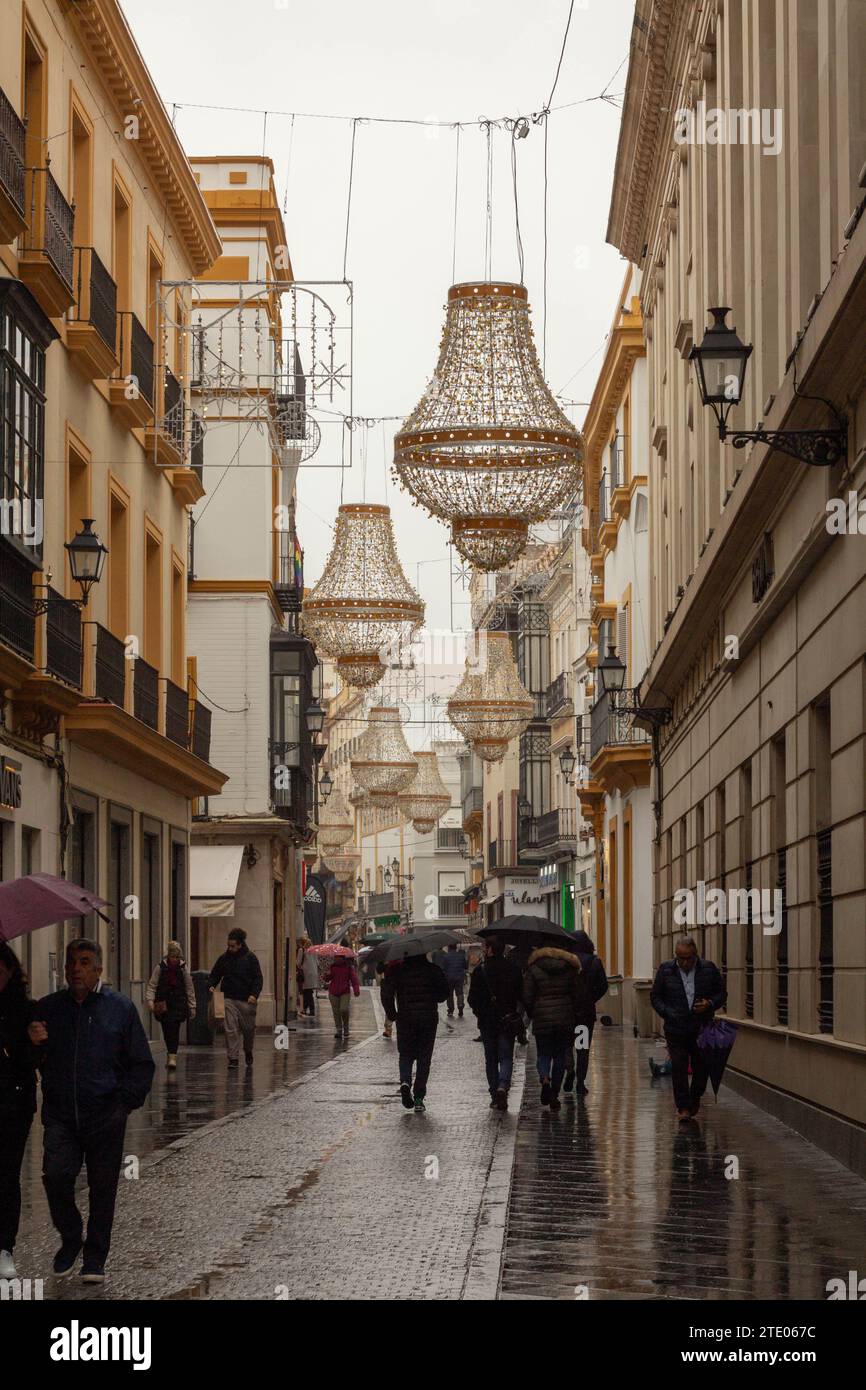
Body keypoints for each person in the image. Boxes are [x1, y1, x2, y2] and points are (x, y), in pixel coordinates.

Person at [27, 938, 155, 1283]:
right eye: (71, 962)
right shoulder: (49, 1009)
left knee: (102, 1188)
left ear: (99, 968)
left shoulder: (120, 1009)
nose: (76, 969)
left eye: (84, 962)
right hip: (61, 1114)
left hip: (105, 1113)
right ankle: (71, 1237)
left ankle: (95, 1258)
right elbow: (32, 1060)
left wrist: (124, 1103)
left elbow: (142, 1064)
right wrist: (33, 1043)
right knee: (55, 1176)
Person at [651, 935, 726, 1120]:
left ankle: (695, 1097)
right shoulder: (666, 970)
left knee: (702, 1068)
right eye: (680, 958)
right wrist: (667, 1012)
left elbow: (722, 994)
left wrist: (709, 1004)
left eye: (688, 958)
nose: (684, 962)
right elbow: (655, 997)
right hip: (676, 1029)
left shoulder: (708, 969)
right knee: (679, 1067)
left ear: (695, 955)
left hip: (702, 1029)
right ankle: (683, 1107)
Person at [0, 943, 36, 1280]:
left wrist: (26, 1046)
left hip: (13, 1103)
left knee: (6, 1174)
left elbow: (35, 1062)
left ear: (10, 971)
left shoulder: (25, 1011)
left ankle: (4, 1247)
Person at [523, 942, 587, 1112]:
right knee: (560, 1056)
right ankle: (554, 1093)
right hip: (565, 1018)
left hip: (542, 1018)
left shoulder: (534, 968)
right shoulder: (569, 967)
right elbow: (577, 995)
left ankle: (545, 1079)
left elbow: (527, 996)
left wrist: (533, 1013)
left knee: (543, 1054)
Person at [381, 952, 448, 1111]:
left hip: (405, 1019)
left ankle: (405, 1082)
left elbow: (386, 994)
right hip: (428, 1019)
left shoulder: (397, 970)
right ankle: (418, 1098)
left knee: (405, 1054)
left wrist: (392, 1014)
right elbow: (443, 995)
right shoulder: (433, 970)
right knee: (424, 1058)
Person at [467, 936, 524, 1110]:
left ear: (491, 949)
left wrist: (480, 1013)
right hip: (507, 1019)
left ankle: (494, 1094)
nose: (484, 949)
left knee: (491, 1059)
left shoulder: (480, 971)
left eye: (485, 947)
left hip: (487, 1022)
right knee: (506, 1057)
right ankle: (502, 1087)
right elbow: (520, 994)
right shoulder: (513, 969)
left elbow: (472, 999)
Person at [208, 927, 263, 1069]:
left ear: (240, 944)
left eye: (233, 946)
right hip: (229, 999)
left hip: (247, 1000)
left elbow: (258, 978)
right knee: (230, 1029)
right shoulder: (224, 958)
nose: (230, 948)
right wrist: (211, 985)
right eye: (228, 945)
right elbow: (215, 974)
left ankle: (248, 1050)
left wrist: (254, 995)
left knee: (248, 1030)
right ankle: (233, 1058)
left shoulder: (251, 958)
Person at [563, 930, 608, 1097]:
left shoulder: (567, 961)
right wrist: (591, 999)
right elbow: (603, 986)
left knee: (567, 1045)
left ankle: (569, 1069)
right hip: (585, 1014)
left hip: (568, 1013)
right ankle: (580, 1083)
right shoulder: (594, 962)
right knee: (582, 1048)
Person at [145, 941, 195, 1070]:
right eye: (173, 956)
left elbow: (189, 987)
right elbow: (152, 985)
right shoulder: (160, 967)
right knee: (167, 1030)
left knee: (175, 1029)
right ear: (168, 956)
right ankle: (170, 1053)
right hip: (163, 1004)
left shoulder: (183, 968)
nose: (175, 959)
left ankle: (172, 1056)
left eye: (177, 957)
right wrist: (150, 1001)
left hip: (178, 1003)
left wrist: (192, 1005)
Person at [328, 950, 360, 1040]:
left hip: (344, 991)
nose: (336, 958)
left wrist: (356, 990)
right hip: (333, 992)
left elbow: (354, 979)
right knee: (336, 1012)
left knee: (344, 1009)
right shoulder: (332, 967)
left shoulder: (349, 967)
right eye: (335, 957)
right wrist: (326, 976)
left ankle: (346, 1027)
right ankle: (339, 1030)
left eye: (337, 957)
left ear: (342, 958)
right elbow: (328, 978)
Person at [439, 943, 467, 1018]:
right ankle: (460, 1007)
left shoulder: (445, 957)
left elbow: (443, 968)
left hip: (449, 978)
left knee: (450, 994)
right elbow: (465, 966)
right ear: (456, 947)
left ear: (449, 947)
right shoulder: (461, 956)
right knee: (459, 993)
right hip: (459, 977)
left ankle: (450, 1010)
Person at [298, 938, 319, 1016]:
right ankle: (305, 1009)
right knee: (307, 992)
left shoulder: (302, 950)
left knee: (308, 992)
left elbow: (298, 963)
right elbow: (317, 963)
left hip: (306, 973)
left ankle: (312, 1010)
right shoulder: (314, 951)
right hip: (313, 973)